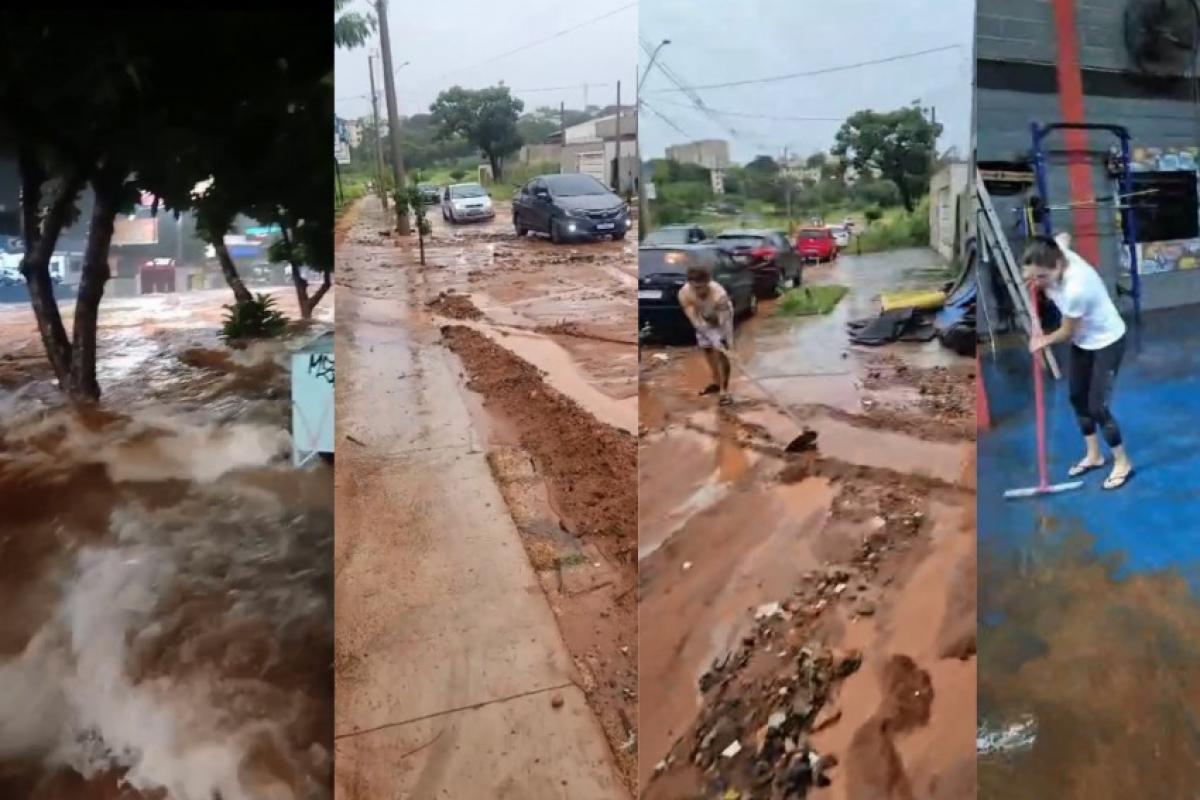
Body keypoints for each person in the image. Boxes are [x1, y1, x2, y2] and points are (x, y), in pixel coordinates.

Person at [1022, 232, 1133, 490]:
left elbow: (1066, 332)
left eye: (1042, 277)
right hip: (1085, 341)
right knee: (1076, 397)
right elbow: (1063, 237)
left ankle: (1122, 462)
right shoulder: (1056, 254)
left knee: (1097, 406)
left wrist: (1042, 341)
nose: (1037, 283)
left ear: (1059, 265)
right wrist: (1039, 272)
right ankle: (1094, 456)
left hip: (1108, 341)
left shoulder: (1076, 288)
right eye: (1032, 276)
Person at [678, 263, 735, 406]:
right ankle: (716, 382)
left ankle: (724, 391)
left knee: (723, 353)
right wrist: (708, 333)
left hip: (720, 318)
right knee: (708, 350)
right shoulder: (684, 293)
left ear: (708, 282)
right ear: (689, 284)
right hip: (702, 319)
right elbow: (694, 319)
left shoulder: (719, 295)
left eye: (701, 287)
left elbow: (725, 324)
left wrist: (727, 343)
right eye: (695, 287)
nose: (698, 291)